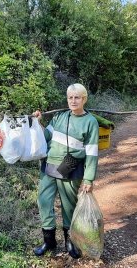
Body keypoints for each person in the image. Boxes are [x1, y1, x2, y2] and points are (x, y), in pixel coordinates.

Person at [32, 83, 99, 259]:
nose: (73, 100)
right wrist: (38, 123)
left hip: (70, 167)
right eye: (70, 97)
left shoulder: (90, 122)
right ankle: (49, 241)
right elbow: (45, 136)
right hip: (50, 165)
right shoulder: (59, 117)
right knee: (44, 201)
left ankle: (71, 241)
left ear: (84, 99)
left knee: (68, 206)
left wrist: (89, 179)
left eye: (77, 97)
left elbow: (92, 152)